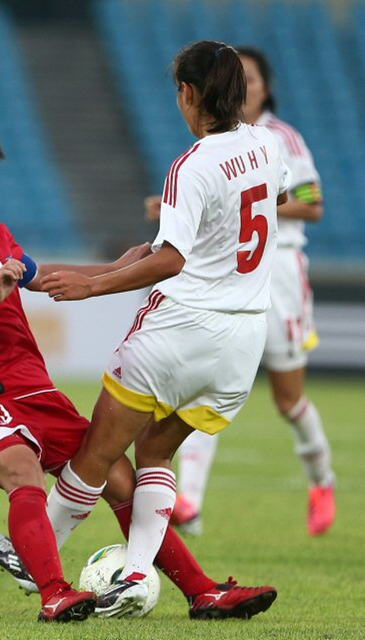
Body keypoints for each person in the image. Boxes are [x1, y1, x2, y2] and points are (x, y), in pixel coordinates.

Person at [0, 101, 270, 623]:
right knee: (22, 470)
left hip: (35, 390)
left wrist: (114, 269)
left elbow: (42, 278)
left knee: (119, 478)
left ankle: (204, 591)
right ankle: (54, 593)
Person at [40, 40, 290, 617]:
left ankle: (39, 564)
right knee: (158, 450)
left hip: (181, 328)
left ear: (189, 93)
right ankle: (133, 573)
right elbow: (272, 198)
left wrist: (91, 284)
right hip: (242, 340)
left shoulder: (191, 166)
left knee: (99, 450)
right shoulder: (268, 143)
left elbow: (173, 259)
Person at [159, 46, 335, 538]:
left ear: (265, 87)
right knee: (205, 381)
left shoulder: (281, 139)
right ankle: (188, 497)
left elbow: (311, 202)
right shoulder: (221, 143)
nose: (249, 87)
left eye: (255, 79)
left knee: (288, 399)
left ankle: (323, 480)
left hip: (277, 272)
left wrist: (250, 204)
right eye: (243, 79)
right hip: (230, 271)